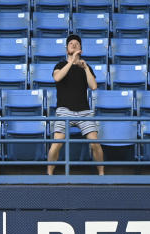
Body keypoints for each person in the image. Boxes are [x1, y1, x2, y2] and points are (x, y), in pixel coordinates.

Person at [47, 34, 104, 176]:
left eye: (76, 43)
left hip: (84, 111)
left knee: (95, 143)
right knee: (57, 143)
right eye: (70, 43)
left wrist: (85, 68)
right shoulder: (60, 65)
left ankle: (102, 174)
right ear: (66, 49)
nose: (73, 44)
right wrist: (71, 61)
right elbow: (57, 77)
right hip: (64, 111)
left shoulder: (86, 67)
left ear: (81, 49)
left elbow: (94, 86)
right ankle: (49, 174)